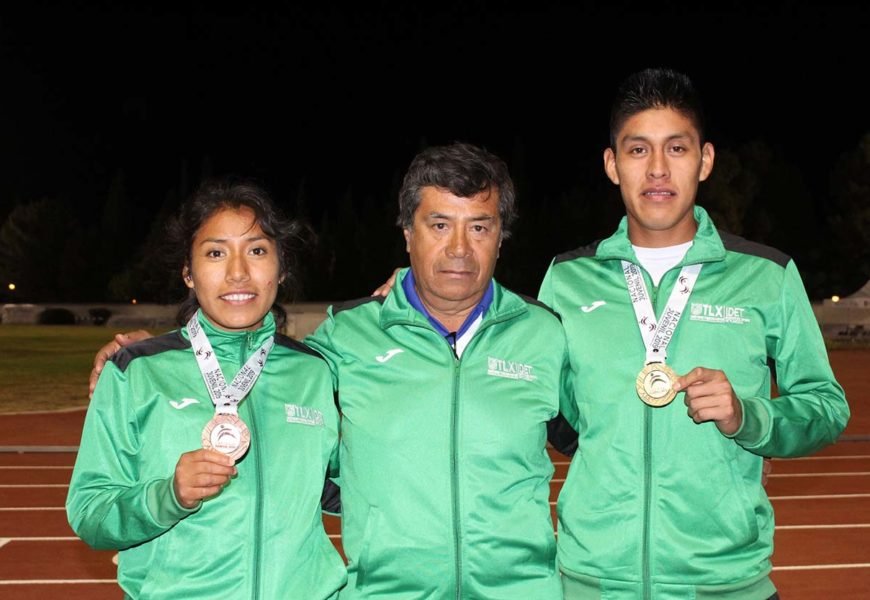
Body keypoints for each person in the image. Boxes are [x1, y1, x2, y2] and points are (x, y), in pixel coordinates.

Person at [88, 143, 572, 599]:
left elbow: (598, 439)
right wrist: (131, 361)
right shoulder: (340, 343)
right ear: (407, 234)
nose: (459, 249)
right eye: (439, 225)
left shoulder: (547, 334)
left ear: (501, 239)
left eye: (480, 227)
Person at [539, 68, 849, 599]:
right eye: (638, 151)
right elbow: (542, 401)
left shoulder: (766, 276)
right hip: (591, 582)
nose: (657, 170)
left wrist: (748, 418)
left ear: (704, 160)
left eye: (676, 149)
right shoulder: (566, 280)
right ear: (612, 165)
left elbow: (827, 406)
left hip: (725, 583)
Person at [68, 178, 346, 599]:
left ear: (281, 267)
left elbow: (354, 486)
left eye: (257, 251)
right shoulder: (137, 371)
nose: (238, 273)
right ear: (189, 273)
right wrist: (168, 496)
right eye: (216, 253)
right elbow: (90, 512)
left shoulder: (316, 373)